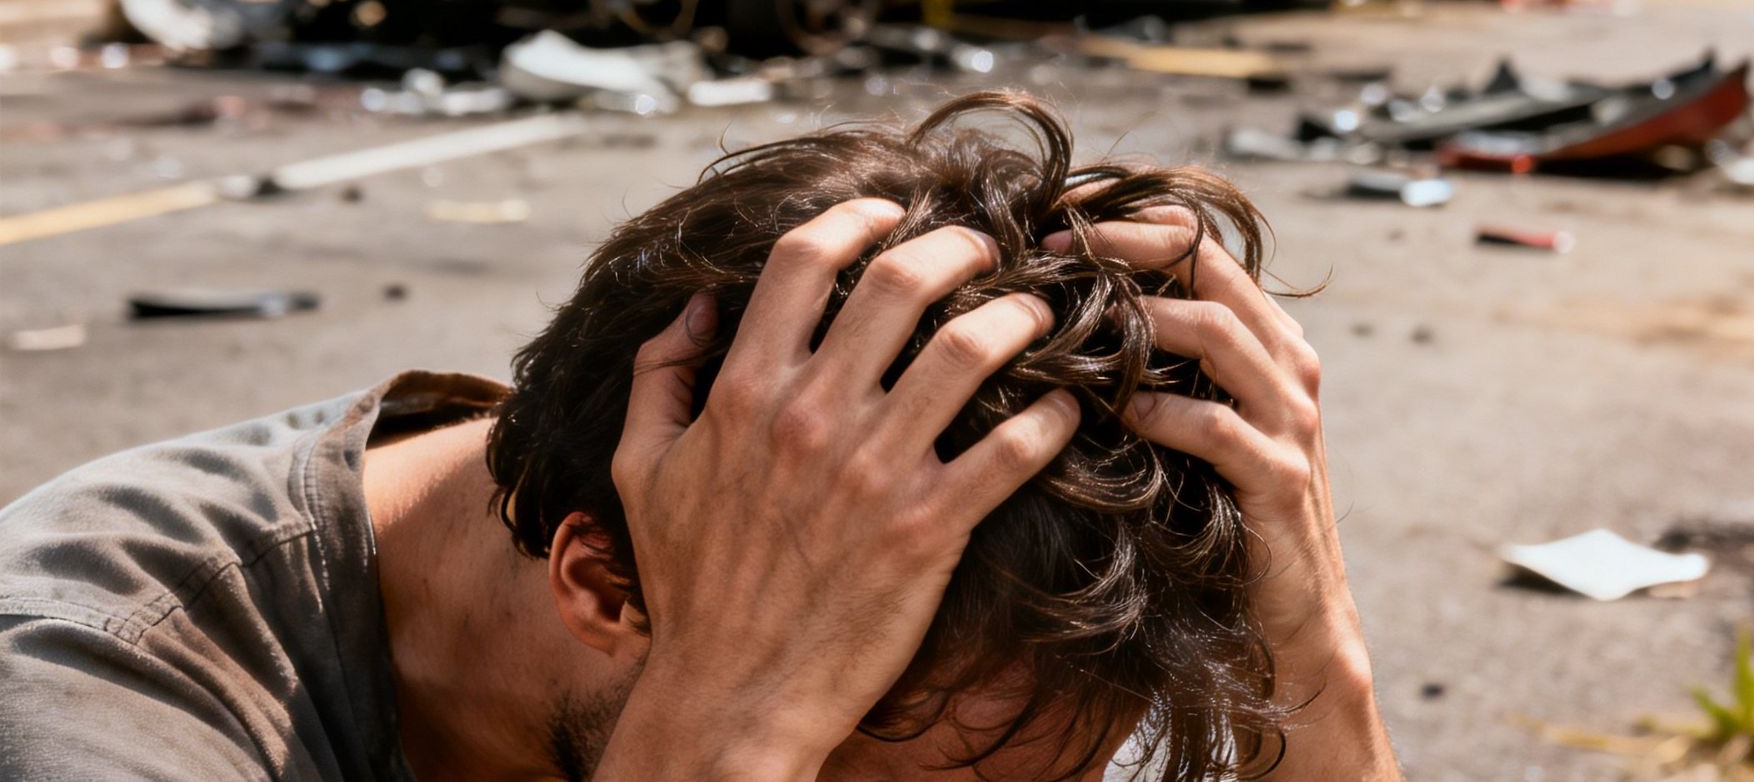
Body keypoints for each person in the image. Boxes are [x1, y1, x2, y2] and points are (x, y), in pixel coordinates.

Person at [0, 93, 1400, 781]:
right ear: (604, 585)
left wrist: (1323, 687)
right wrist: (721, 743)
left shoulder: (799, 601)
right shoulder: (92, 709)